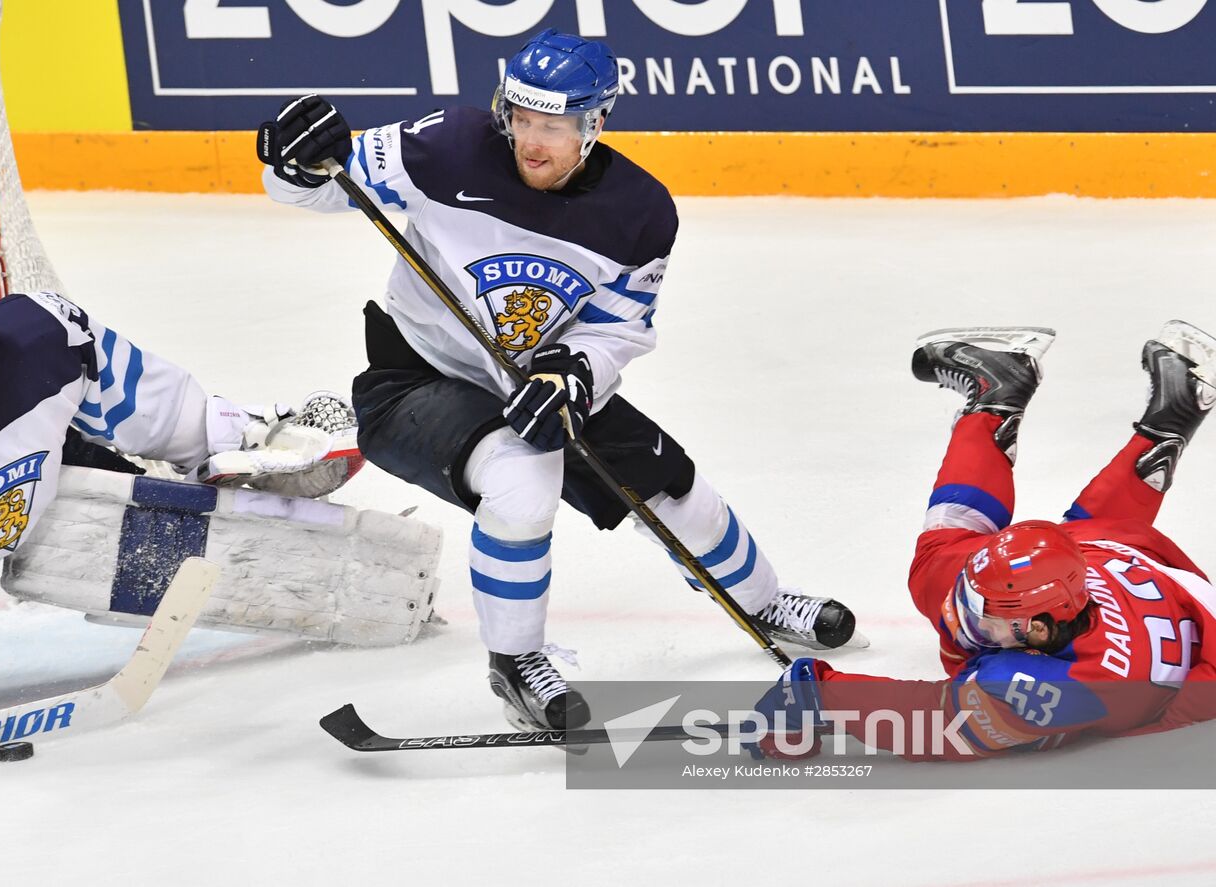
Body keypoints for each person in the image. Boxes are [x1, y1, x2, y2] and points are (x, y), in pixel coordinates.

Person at [256, 29, 861, 732]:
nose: (531, 142)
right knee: (524, 475)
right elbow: (326, 182)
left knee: (671, 485)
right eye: (521, 119)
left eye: (553, 126)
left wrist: (574, 371)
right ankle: (517, 665)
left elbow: (618, 328)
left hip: (538, 379)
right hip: (413, 379)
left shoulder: (640, 213)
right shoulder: (447, 146)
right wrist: (292, 163)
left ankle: (763, 601)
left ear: (594, 124)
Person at [0, 286, 369, 796]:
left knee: (139, 514)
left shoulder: (45, 335)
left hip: (28, 465)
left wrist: (228, 435)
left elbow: (142, 400)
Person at [753, 321, 1216, 760]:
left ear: (1038, 629)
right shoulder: (1056, 613)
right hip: (1135, 572)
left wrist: (818, 695)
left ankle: (1009, 395)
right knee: (995, 564)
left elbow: (936, 721)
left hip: (1130, 559)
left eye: (987, 616)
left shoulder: (1060, 684)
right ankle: (1160, 418)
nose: (965, 620)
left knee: (937, 565)